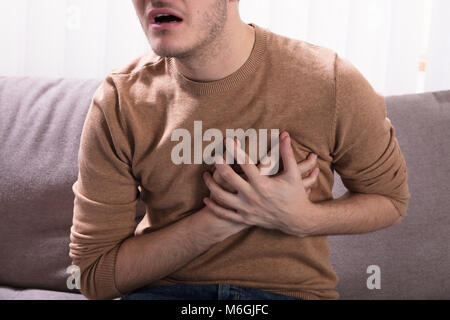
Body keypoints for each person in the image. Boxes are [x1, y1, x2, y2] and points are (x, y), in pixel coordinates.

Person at [69, 0, 410, 300]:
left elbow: (390, 201)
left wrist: (304, 219)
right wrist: (220, 220)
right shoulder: (121, 100)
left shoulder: (329, 80)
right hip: (164, 292)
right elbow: (96, 276)